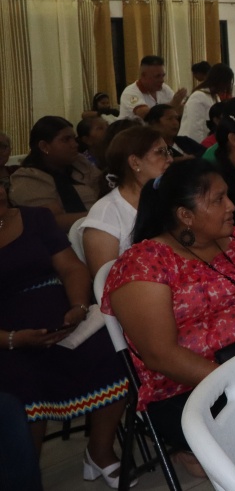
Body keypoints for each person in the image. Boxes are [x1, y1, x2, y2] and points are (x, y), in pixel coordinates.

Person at [103, 160, 235, 473]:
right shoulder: (145, 263)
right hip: (189, 390)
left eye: (227, 195)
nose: (231, 206)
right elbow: (161, 355)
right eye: (218, 200)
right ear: (185, 216)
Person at [0, 185, 130, 488]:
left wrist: (78, 306)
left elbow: (71, 268)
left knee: (111, 350)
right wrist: (13, 340)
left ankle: (99, 450)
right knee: (18, 386)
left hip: (63, 318)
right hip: (7, 339)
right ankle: (25, 478)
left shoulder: (36, 218)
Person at [81, 126, 172, 276]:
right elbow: (106, 280)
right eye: (160, 152)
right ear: (135, 163)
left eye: (168, 152)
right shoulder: (105, 213)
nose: (170, 159)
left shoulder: (169, 198)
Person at [10, 116, 102, 232]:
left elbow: (105, 189)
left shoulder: (79, 162)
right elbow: (53, 221)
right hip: (64, 239)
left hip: (101, 229)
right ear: (44, 146)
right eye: (66, 139)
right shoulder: (28, 178)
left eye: (74, 139)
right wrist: (102, 216)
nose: (75, 144)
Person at [119, 55, 187, 120]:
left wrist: (181, 104)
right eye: (157, 76)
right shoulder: (130, 92)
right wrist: (172, 105)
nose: (162, 80)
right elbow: (145, 114)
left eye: (163, 76)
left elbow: (179, 110)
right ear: (143, 75)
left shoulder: (164, 88)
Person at [179, 63, 234, 143]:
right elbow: (194, 128)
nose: (226, 87)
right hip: (192, 143)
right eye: (226, 83)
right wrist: (202, 148)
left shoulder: (216, 97)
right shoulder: (198, 96)